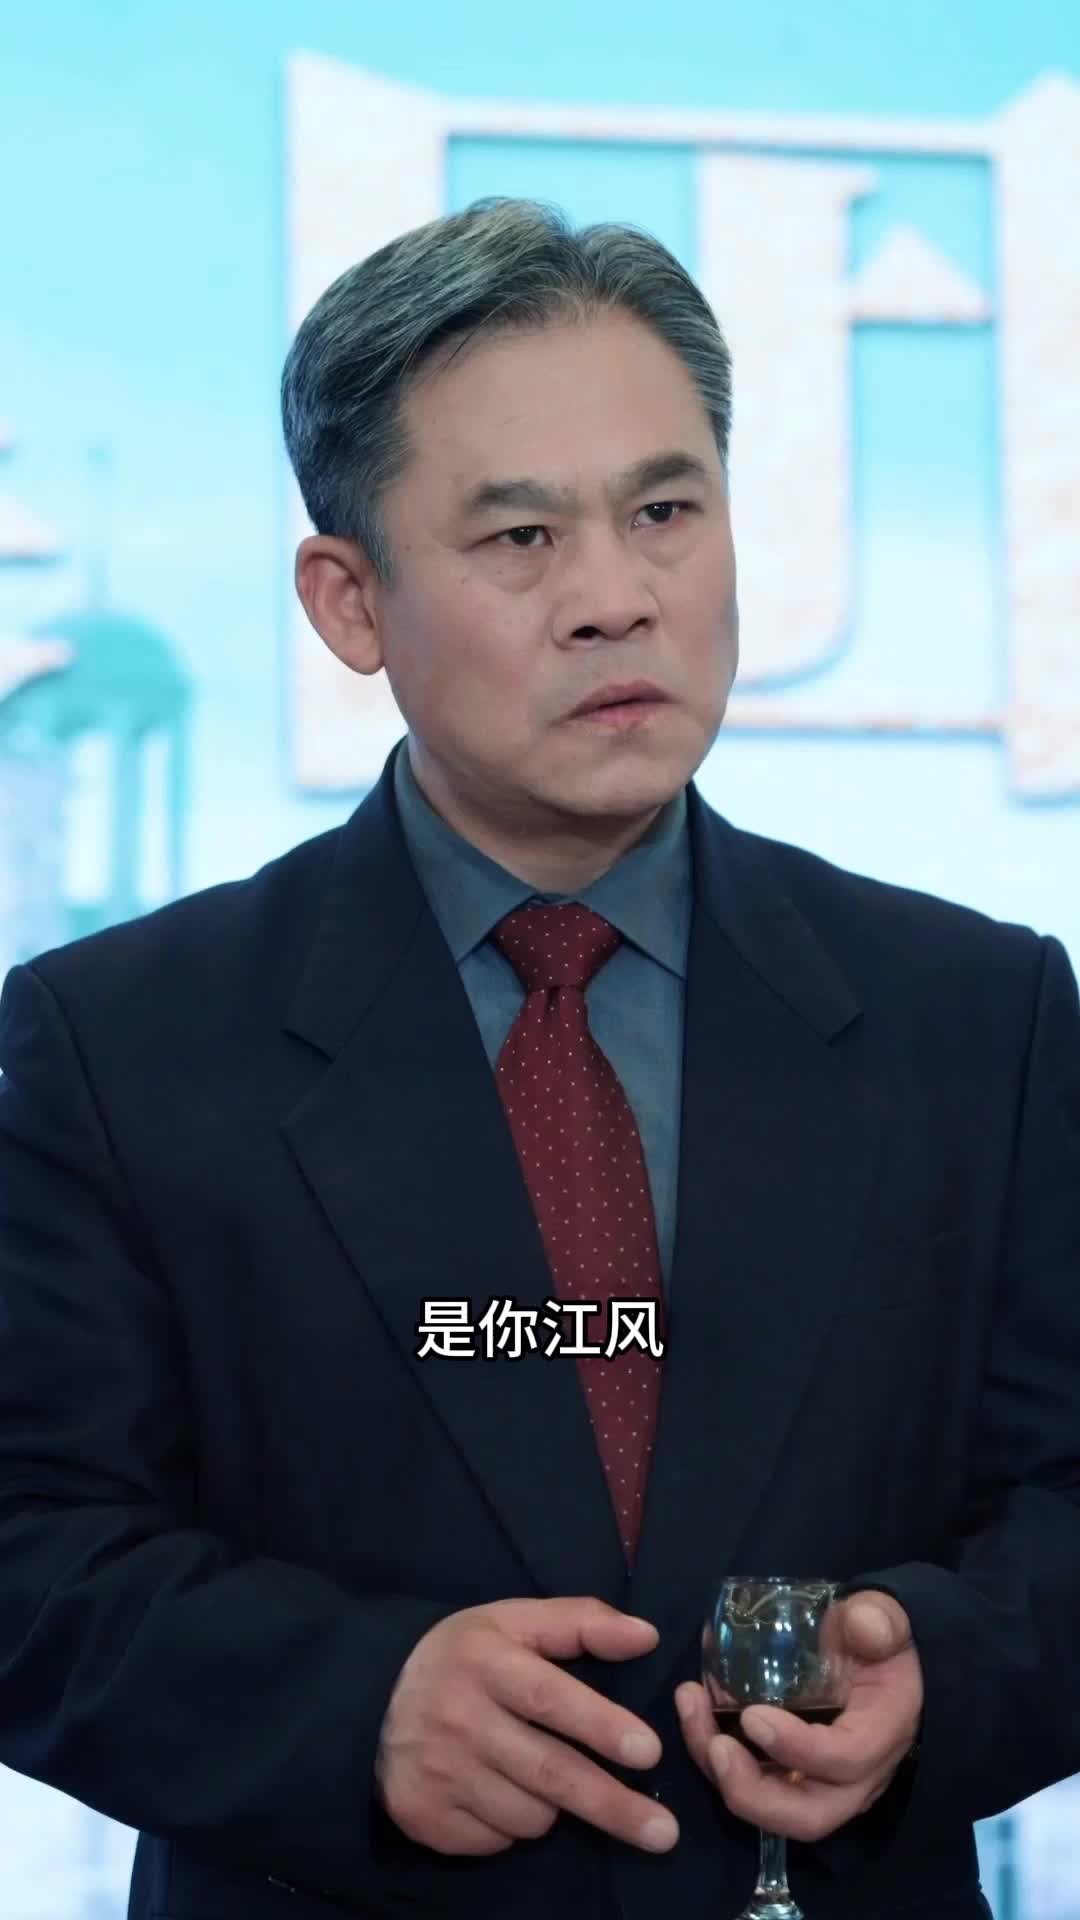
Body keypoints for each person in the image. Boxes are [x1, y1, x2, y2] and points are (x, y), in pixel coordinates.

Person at [0, 197, 1078, 1920]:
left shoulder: (976, 1015)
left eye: (666, 512)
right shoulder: (122, 1045)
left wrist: (935, 1670)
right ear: (350, 600)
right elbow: (31, 1545)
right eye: (519, 538)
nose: (615, 601)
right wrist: (355, 1710)